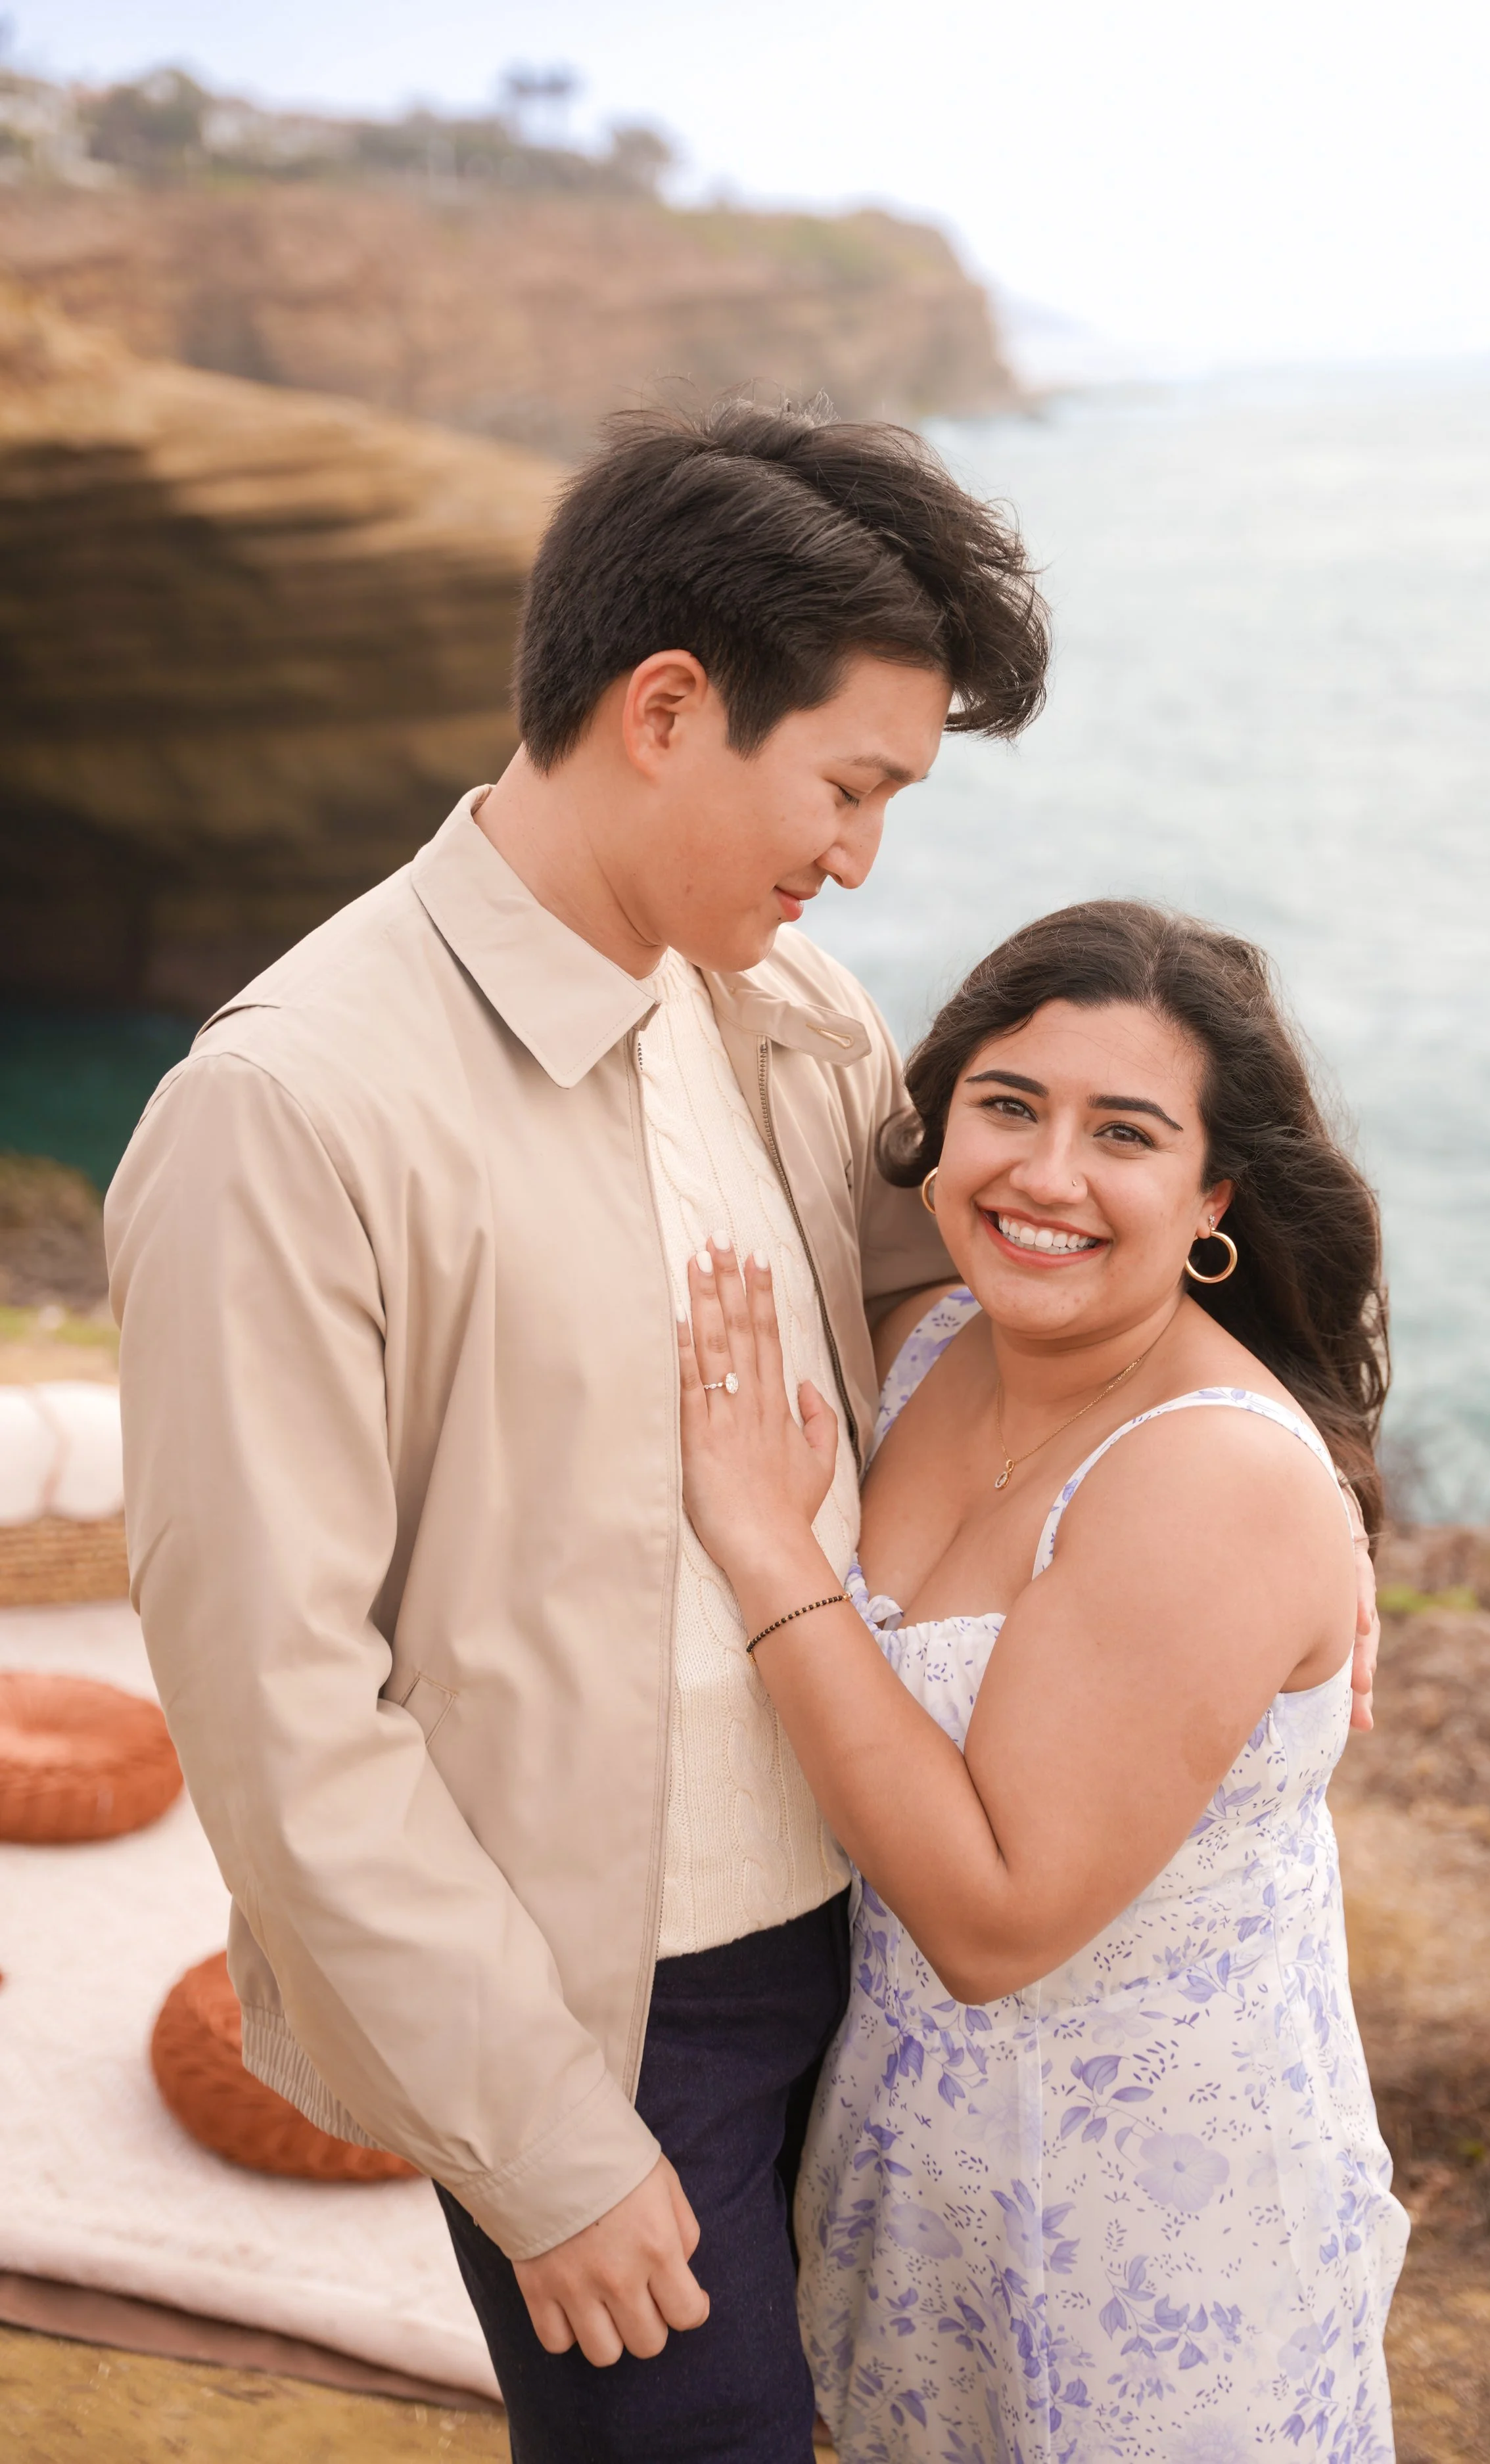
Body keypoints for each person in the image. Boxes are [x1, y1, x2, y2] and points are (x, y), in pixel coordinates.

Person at [104, 398, 1052, 2464]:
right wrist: (543, 2143)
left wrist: (1263, 1495)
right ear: (666, 705)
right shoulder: (285, 1108)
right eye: (849, 783)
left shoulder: (791, 1005)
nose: (859, 855)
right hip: (619, 2027)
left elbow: (988, 1325)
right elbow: (277, 1710)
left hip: (876, 1919)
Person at [674, 900, 1408, 2462]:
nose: (1045, 1175)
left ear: (1210, 1196)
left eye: (1123, 1134)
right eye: (1008, 1107)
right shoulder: (931, 1340)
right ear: (938, 1129)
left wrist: (764, 1545)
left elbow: (994, 1919)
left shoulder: (1204, 1475)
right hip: (909, 2180)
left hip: (1159, 2239)